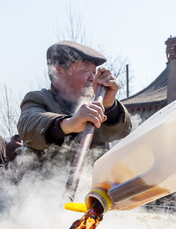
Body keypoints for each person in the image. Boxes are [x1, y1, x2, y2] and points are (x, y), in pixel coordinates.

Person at [17, 41, 131, 170]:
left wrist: (109, 105)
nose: (92, 78)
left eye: (94, 72)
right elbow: (29, 126)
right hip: (45, 187)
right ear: (59, 72)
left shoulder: (96, 103)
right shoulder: (38, 99)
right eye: (85, 70)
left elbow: (122, 132)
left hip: (95, 187)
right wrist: (70, 124)